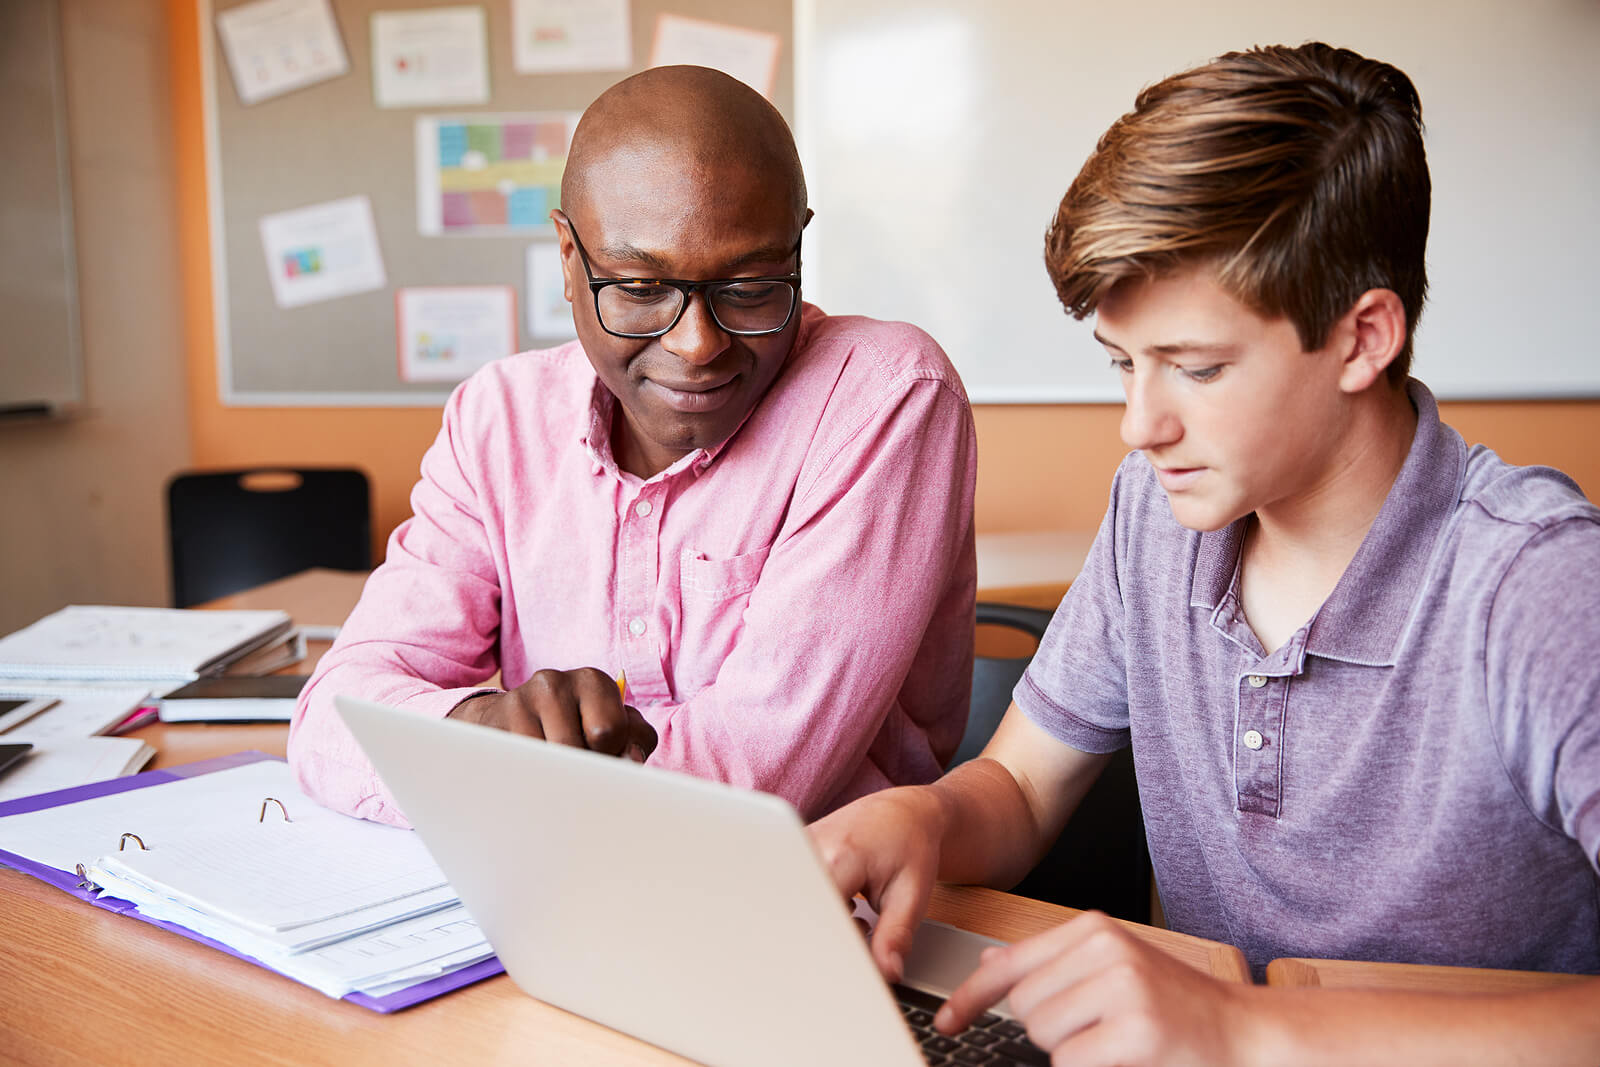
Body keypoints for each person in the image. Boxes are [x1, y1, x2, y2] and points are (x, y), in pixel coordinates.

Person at [812, 42, 1600, 1064]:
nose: (1139, 425)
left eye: (1194, 367)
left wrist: (1243, 1026)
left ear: (1363, 337)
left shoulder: (1539, 584)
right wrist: (917, 817)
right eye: (1121, 366)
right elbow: (1020, 788)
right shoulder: (1157, 513)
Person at [289, 65, 977, 827]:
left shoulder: (883, 397)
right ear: (567, 257)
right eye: (642, 290)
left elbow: (748, 784)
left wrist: (476, 775)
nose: (697, 343)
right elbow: (333, 716)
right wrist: (478, 729)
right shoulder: (500, 419)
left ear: (796, 249)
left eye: (750, 286)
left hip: (820, 911)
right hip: (543, 893)